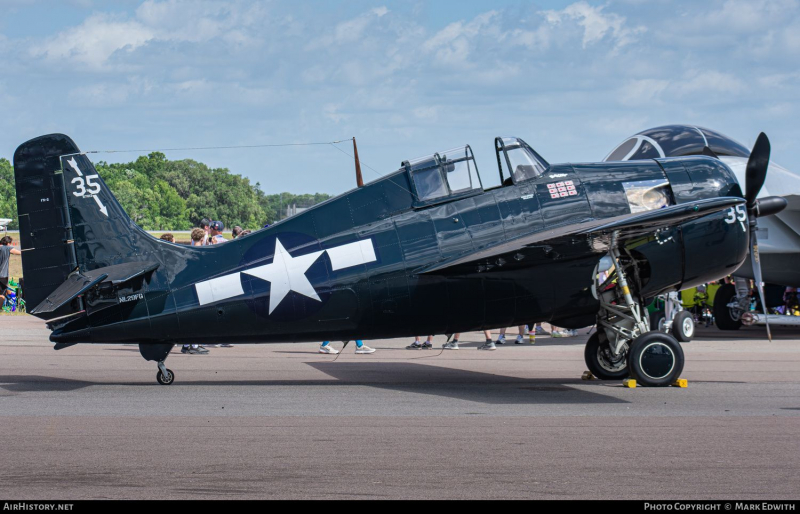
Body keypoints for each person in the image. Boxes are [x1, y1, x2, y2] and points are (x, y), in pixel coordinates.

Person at [0, 236, 22, 305]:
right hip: (3, 275)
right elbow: (19, 253)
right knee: (2, 293)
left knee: (6, 289)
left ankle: (13, 296)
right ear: (8, 243)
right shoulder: (7, 248)